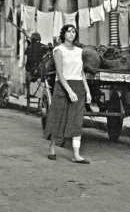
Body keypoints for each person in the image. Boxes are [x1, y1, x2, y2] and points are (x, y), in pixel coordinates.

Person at [45, 24, 92, 163]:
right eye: (68, 31)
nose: (71, 34)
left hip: (78, 86)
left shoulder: (79, 51)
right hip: (63, 87)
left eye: (73, 32)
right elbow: (59, 74)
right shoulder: (58, 50)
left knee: (76, 120)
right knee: (58, 117)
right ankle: (52, 148)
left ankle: (76, 155)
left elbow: (81, 72)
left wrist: (87, 91)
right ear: (63, 34)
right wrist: (69, 91)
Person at [24, 32, 47, 114]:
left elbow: (26, 57)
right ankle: (40, 106)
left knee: (28, 82)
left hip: (31, 72)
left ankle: (28, 107)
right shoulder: (43, 47)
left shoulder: (29, 47)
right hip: (39, 73)